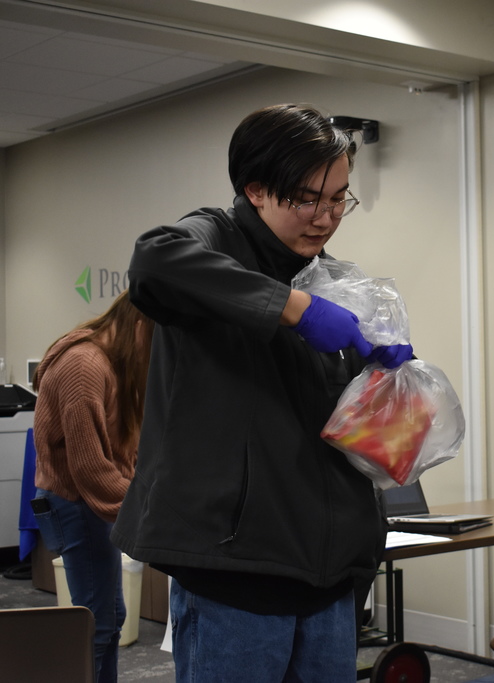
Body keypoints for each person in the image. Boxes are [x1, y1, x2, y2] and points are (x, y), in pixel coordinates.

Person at [110, 103, 413, 682]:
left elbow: (338, 428)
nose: (325, 217)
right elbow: (153, 261)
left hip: (328, 570)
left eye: (338, 199)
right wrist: (292, 310)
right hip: (237, 572)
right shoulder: (213, 239)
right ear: (255, 189)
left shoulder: (331, 276)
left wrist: (388, 386)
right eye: (306, 199)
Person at [32, 291, 154, 683]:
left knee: (110, 617)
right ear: (138, 326)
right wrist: (149, 518)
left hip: (88, 503)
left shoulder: (112, 362)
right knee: (97, 624)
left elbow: (122, 449)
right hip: (75, 503)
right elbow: (90, 469)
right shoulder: (83, 365)